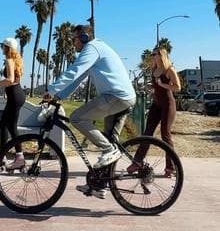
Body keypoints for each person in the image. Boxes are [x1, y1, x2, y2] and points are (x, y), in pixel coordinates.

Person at [43, 24, 136, 199]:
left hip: (117, 97)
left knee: (77, 118)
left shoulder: (92, 48)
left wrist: (52, 90)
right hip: (116, 97)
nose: (73, 42)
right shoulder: (95, 50)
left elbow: (74, 71)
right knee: (108, 142)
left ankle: (109, 150)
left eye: (74, 39)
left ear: (84, 37)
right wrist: (59, 96)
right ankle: (99, 185)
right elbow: (78, 78)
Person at [127, 47, 181, 176]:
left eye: (154, 54)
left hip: (168, 104)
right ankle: (137, 162)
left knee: (165, 134)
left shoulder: (169, 70)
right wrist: (152, 87)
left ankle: (171, 167)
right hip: (156, 104)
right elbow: (157, 86)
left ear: (161, 55)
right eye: (152, 54)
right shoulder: (154, 70)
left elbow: (177, 87)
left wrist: (162, 85)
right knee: (147, 133)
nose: (152, 56)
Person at [0, 37, 26, 170]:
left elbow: (9, 80)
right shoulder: (16, 60)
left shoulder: (9, 60)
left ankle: (19, 158)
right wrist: (6, 92)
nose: (1, 48)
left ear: (7, 48)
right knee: (5, 124)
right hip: (16, 95)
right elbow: (15, 81)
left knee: (11, 126)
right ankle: (3, 157)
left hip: (15, 96)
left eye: (2, 46)